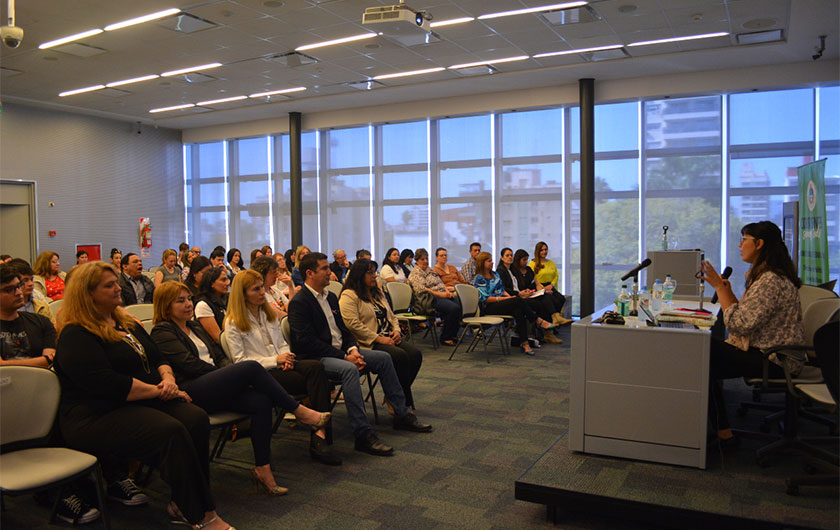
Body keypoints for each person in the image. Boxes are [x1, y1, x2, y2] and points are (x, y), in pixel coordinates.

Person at [52, 262, 235, 530]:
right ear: (87, 293)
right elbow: (108, 384)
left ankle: (183, 500)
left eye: (116, 282)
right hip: (94, 414)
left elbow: (157, 356)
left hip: (139, 399)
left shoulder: (125, 321)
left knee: (194, 418)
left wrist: (168, 378)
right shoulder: (76, 333)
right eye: (109, 285)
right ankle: (201, 513)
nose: (118, 288)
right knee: (170, 430)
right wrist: (160, 390)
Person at [151, 282, 333, 494]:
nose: (188, 304)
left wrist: (227, 375)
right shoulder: (162, 331)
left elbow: (219, 356)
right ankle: (300, 411)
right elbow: (188, 364)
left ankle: (263, 469)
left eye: (189, 298)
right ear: (165, 305)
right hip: (192, 390)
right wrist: (226, 376)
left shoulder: (195, 327)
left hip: (215, 383)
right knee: (250, 367)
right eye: (180, 301)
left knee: (261, 402)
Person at [288, 253, 433, 457]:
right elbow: (306, 342)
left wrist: (352, 350)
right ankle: (362, 434)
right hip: (317, 357)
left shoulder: (329, 297)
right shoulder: (300, 301)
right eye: (324, 269)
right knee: (349, 370)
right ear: (309, 273)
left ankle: (401, 414)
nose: (330, 272)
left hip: (340, 352)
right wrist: (343, 356)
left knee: (384, 358)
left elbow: (344, 331)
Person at [0, 264, 101, 525]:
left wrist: (7, 365)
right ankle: (56, 493)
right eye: (8, 290)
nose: (19, 293)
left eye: (19, 286)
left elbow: (51, 359)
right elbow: (43, 361)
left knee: (78, 410)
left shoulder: (40, 321)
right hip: (4, 405)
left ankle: (82, 485)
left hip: (40, 399)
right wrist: (39, 362)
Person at [701, 221, 805, 446]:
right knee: (703, 362)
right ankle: (722, 431)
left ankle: (723, 433)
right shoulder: (767, 276)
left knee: (702, 349)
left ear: (759, 244)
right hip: (766, 351)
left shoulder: (770, 281)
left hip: (775, 359)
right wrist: (727, 292)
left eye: (744, 240)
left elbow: (739, 324)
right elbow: (747, 317)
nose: (739, 245)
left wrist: (720, 289)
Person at [223, 269, 339, 465]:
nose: (262, 292)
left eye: (262, 288)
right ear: (242, 294)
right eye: (256, 289)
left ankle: (318, 432)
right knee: (314, 381)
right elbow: (240, 362)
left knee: (315, 367)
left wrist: (286, 358)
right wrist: (275, 360)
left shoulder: (267, 314)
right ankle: (320, 437)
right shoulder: (233, 322)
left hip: (281, 364)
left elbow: (282, 343)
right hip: (262, 374)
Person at [340, 259, 423, 410]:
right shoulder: (349, 295)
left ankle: (394, 393)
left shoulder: (376, 293)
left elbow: (392, 316)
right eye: (370, 273)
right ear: (359, 275)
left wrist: (397, 330)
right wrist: (378, 338)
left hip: (387, 337)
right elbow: (352, 324)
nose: (374, 276)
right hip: (368, 342)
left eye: (375, 272)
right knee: (400, 356)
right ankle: (403, 404)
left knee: (415, 354)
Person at [473, 252, 555, 356]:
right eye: (489, 261)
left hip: (501, 302)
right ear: (482, 263)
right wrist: (504, 299)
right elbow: (485, 298)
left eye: (491, 260)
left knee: (518, 310)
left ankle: (524, 343)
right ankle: (538, 320)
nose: (492, 262)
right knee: (517, 300)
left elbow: (502, 290)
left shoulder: (495, 274)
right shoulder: (479, 278)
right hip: (489, 307)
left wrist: (508, 297)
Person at [498, 249, 563, 344]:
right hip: (515, 298)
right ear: (502, 258)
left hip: (521, 295)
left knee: (546, 298)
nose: (510, 257)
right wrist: (519, 293)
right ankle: (547, 328)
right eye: (507, 255)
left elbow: (523, 285)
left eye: (511, 255)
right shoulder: (502, 271)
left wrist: (526, 291)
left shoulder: (511, 269)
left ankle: (549, 327)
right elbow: (504, 288)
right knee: (542, 303)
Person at [407, 249, 461, 346]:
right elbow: (422, 290)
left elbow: (440, 283)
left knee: (459, 304)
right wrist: (440, 294)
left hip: (441, 295)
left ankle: (452, 334)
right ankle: (446, 337)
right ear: (417, 260)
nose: (426, 261)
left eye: (426, 258)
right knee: (453, 308)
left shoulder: (430, 270)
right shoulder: (415, 273)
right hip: (428, 299)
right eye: (422, 259)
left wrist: (447, 291)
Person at [511, 249, 572, 327]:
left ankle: (553, 321)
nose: (526, 262)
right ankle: (553, 322)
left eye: (527, 259)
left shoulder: (528, 270)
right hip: (522, 296)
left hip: (532, 293)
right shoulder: (513, 271)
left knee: (550, 297)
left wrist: (543, 290)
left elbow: (536, 283)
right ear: (518, 260)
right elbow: (515, 288)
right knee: (545, 301)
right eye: (524, 260)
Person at [194, 267, 229, 344]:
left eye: (227, 279)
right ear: (212, 284)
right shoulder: (202, 305)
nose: (227, 283)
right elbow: (218, 338)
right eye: (223, 280)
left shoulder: (227, 299)